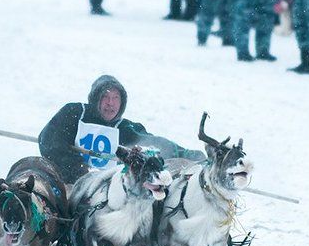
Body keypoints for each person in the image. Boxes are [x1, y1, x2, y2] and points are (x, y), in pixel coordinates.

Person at [38, 75, 203, 184]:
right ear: (95, 99)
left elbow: (154, 144)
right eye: (105, 97)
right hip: (68, 183)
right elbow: (50, 142)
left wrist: (190, 155)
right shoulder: (74, 113)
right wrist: (79, 170)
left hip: (106, 191)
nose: (110, 103)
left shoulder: (124, 129)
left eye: (116, 98)